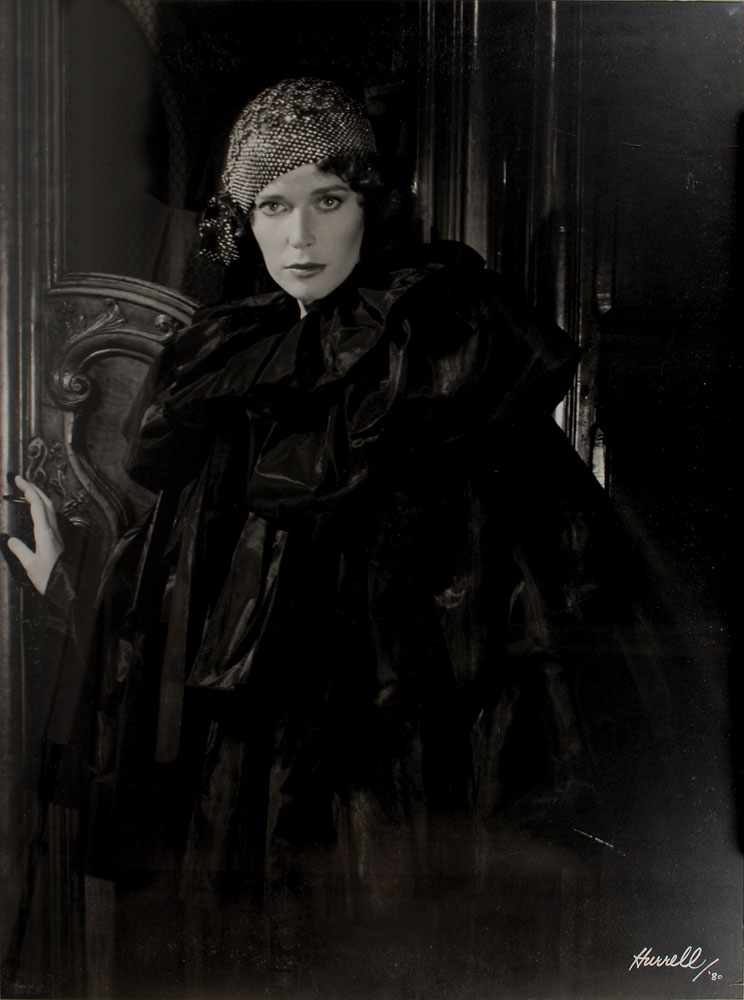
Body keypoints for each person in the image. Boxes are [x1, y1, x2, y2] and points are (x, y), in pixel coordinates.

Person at [5, 78, 667, 998]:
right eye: (272, 206)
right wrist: (71, 584)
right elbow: (183, 596)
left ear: (371, 206)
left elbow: (530, 597)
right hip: (249, 786)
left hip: (401, 779)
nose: (301, 239)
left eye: (329, 200)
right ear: (243, 223)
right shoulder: (233, 363)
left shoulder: (435, 353)